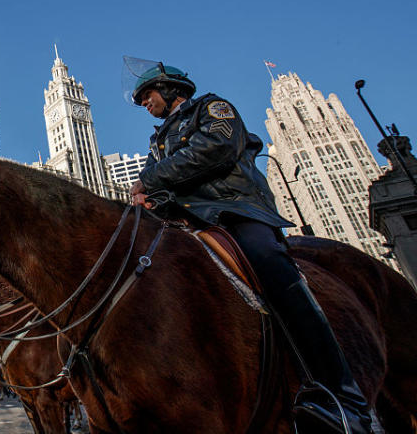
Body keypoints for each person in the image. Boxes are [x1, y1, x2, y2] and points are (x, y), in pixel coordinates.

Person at [127, 60, 372, 434]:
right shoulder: (158, 141)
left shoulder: (212, 108)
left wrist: (147, 179)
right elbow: (155, 185)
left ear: (171, 88)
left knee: (270, 264)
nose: (144, 102)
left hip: (234, 210)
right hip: (186, 223)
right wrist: (147, 201)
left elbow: (217, 148)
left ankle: (340, 395)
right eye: (141, 98)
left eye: (148, 94)